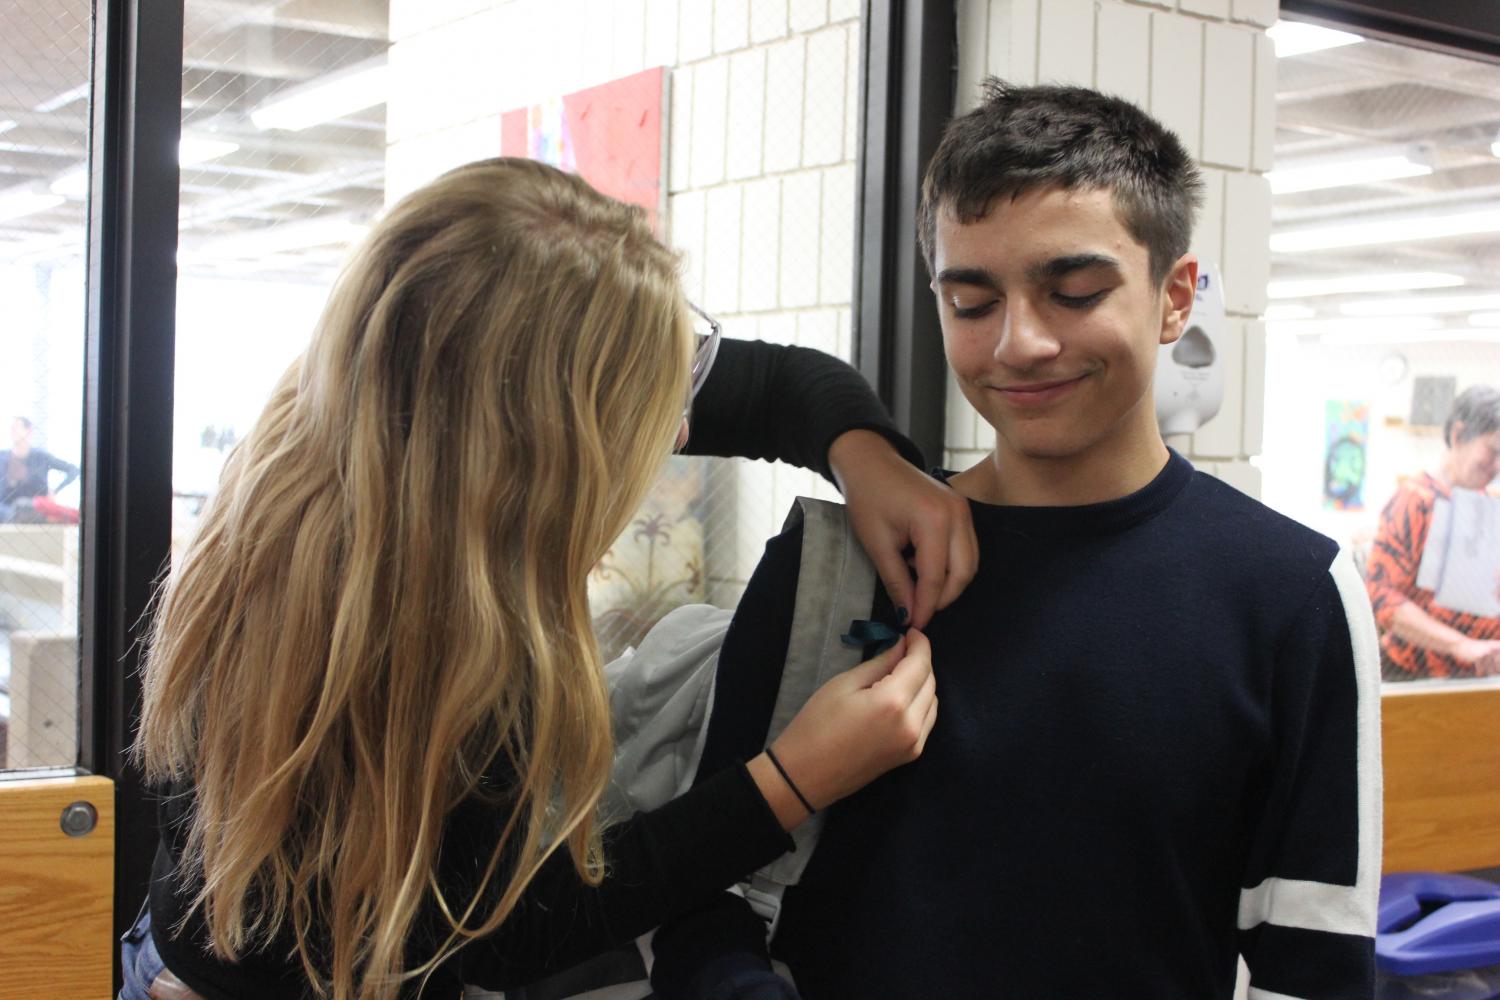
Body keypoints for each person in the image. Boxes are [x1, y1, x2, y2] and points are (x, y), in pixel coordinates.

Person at [125, 158, 976, 1000]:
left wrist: (869, 459)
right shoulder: (385, 637)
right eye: (637, 419)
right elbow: (498, 934)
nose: (681, 430)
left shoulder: (385, 426)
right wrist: (790, 781)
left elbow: (782, 387)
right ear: (530, 449)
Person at [652, 81, 1382, 1000]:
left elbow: (1312, 963)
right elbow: (699, 898)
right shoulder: (834, 568)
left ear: (1175, 297)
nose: (1019, 344)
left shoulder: (1291, 592)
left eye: (1073, 293)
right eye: (971, 303)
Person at [1365, 384, 1500, 679]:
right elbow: (1382, 597)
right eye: (1492, 451)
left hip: (1477, 679)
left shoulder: (1487, 506)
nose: (1497, 467)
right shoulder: (1415, 500)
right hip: (1417, 675)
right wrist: (1459, 645)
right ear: (1459, 434)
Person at [0, 416, 80, 523]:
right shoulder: (2, 457)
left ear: (29, 431)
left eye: (16, 427)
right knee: (16, 509)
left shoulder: (41, 457)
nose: (12, 431)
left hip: (34, 508)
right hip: (6, 510)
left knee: (24, 507)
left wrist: (55, 491)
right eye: (11, 428)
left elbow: (73, 470)